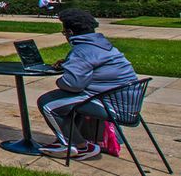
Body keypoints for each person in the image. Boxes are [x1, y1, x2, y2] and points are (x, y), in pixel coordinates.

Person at [36, 9, 138, 160]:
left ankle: (77, 146)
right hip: (127, 104)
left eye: (64, 32)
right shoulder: (102, 45)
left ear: (70, 32)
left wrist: (58, 78)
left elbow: (73, 85)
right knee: (65, 101)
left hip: (113, 106)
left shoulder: (81, 50)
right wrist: (69, 65)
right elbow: (94, 67)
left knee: (47, 103)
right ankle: (74, 140)